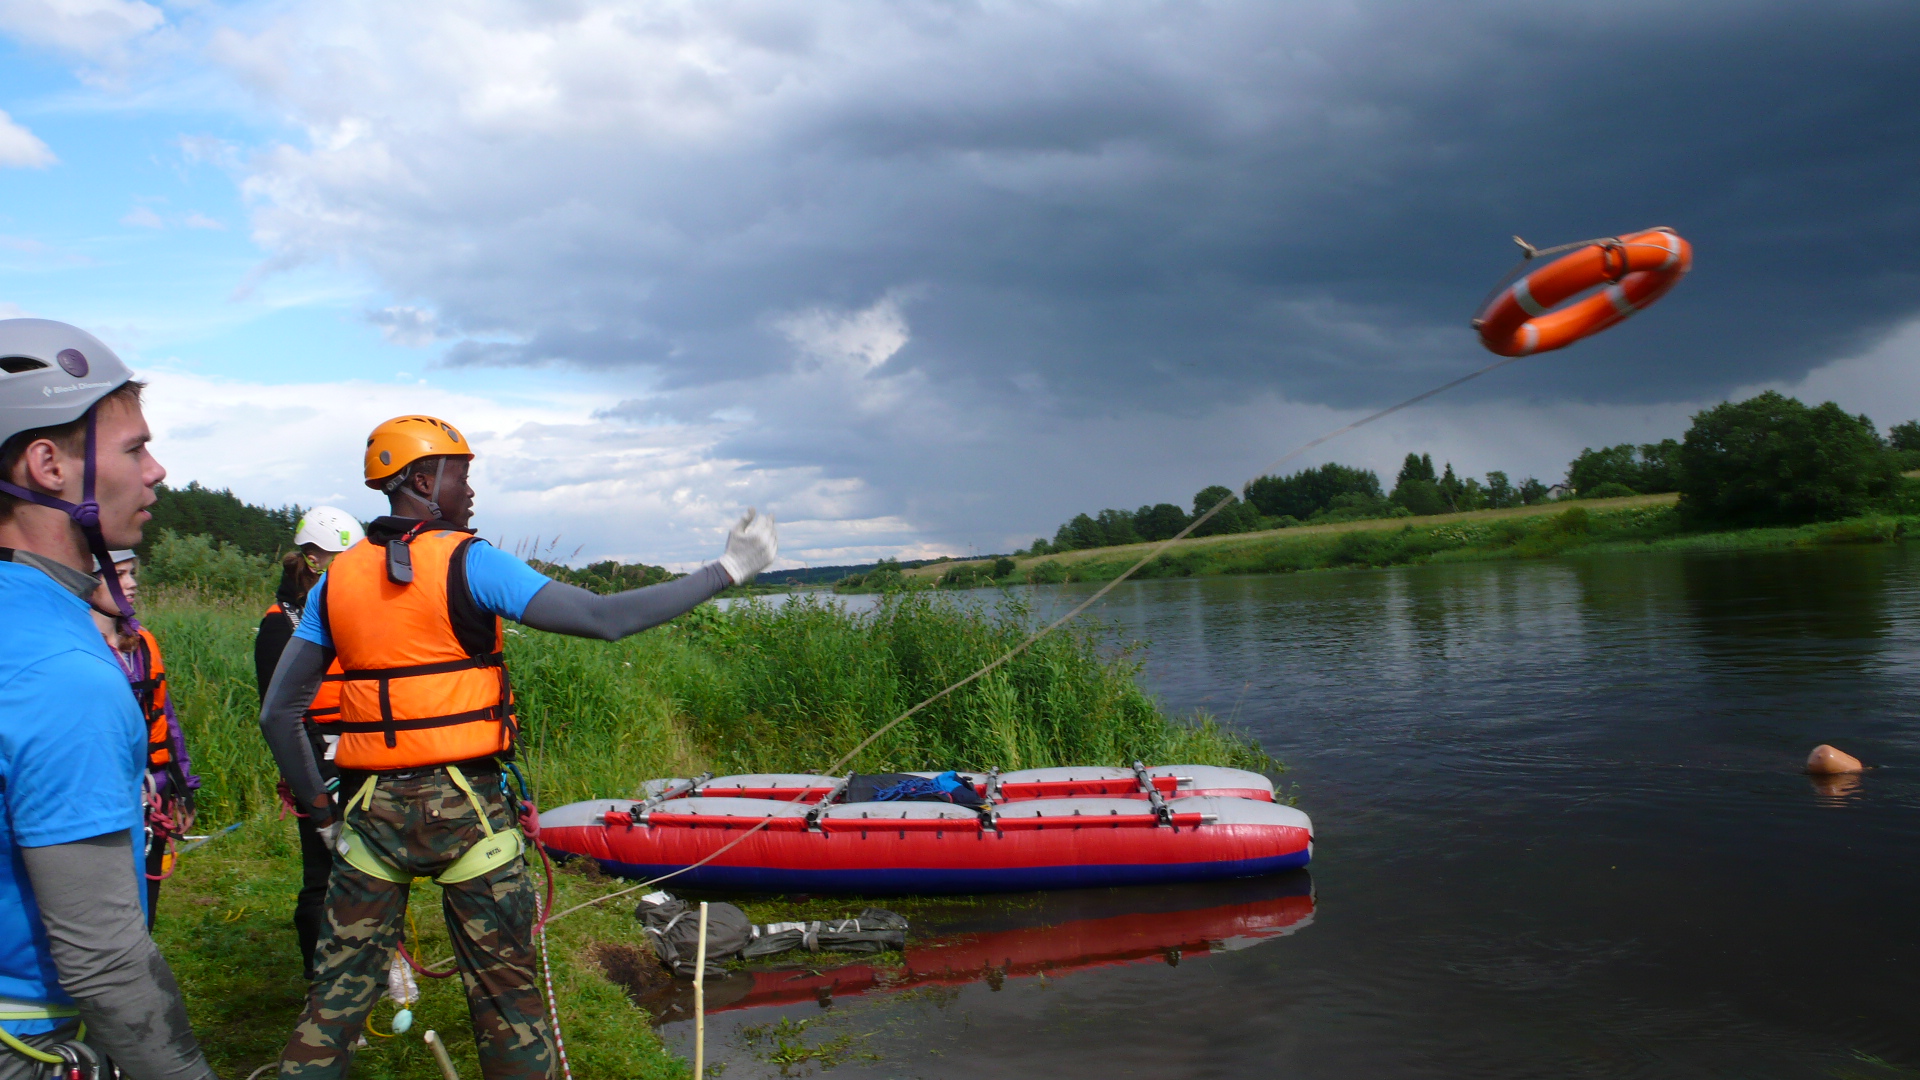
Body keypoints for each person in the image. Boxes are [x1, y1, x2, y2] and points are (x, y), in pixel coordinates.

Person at [259, 414, 777, 1079]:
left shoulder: (336, 581)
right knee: (507, 1004)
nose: (471, 491)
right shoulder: (472, 562)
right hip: (468, 813)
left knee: (331, 1007)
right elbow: (603, 618)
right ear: (423, 479)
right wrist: (728, 569)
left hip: (370, 819)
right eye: (462, 475)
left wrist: (323, 817)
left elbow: (281, 713)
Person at [0, 318, 217, 1078]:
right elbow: (105, 961)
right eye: (134, 448)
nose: (156, 471)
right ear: (48, 465)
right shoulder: (64, 672)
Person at [252, 507, 363, 978]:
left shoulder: (348, 612)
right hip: (316, 761)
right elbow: (279, 708)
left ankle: (367, 969)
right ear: (317, 560)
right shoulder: (281, 623)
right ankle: (323, 982)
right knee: (323, 875)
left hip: (364, 753)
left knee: (367, 867)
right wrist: (315, 774)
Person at [89, 550, 201, 928]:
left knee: (145, 904)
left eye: (132, 573)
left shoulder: (141, 643)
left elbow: (166, 721)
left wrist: (183, 788)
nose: (132, 583)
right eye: (119, 575)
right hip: (103, 796)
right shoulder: (74, 647)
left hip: (154, 791)